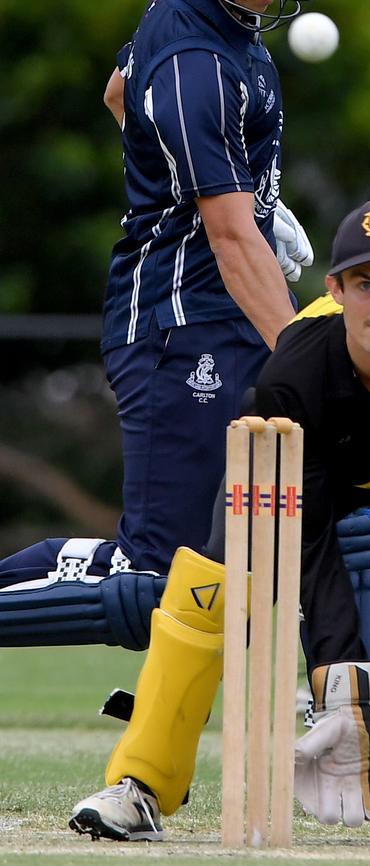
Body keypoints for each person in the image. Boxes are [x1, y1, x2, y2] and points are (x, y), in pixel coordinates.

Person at [68, 200, 370, 847]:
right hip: (317, 471)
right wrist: (336, 677)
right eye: (365, 285)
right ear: (335, 291)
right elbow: (307, 540)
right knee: (212, 575)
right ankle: (141, 785)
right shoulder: (293, 372)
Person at [0, 1, 313, 625]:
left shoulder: (224, 24)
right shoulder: (193, 56)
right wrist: (312, 361)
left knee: (261, 539)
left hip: (231, 310)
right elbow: (227, 236)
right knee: (159, 580)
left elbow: (120, 93)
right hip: (180, 321)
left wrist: (225, 187)